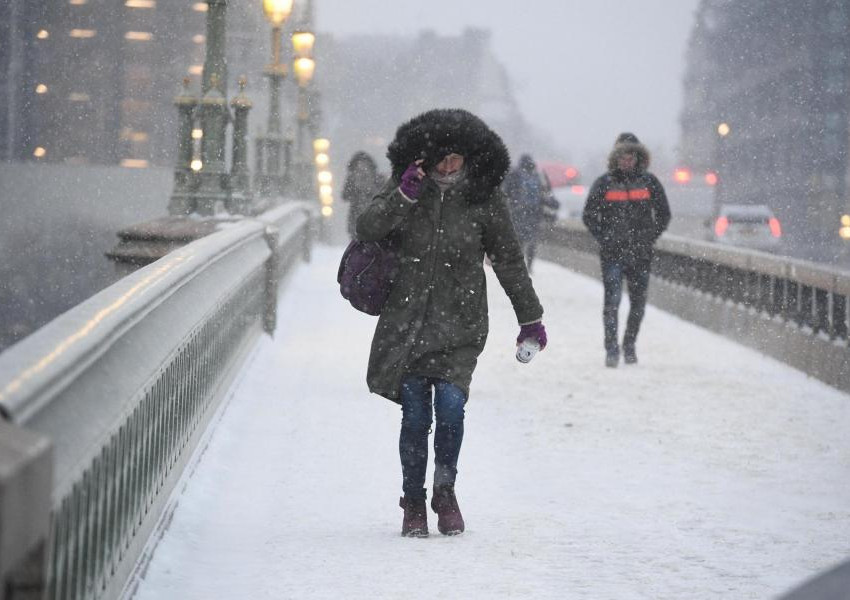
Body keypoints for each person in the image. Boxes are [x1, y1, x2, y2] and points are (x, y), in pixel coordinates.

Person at [356, 109, 548, 538]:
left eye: (455, 158)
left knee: (449, 411)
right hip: (407, 322)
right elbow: (366, 228)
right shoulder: (406, 187)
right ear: (425, 157)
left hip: (460, 325)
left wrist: (530, 318)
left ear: (469, 158)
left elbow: (509, 261)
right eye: (440, 158)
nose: (447, 166)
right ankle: (413, 502)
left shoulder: (484, 197)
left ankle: (445, 491)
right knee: (414, 417)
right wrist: (403, 196)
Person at [582, 132, 670, 368]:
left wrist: (649, 237)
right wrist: (604, 237)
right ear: (615, 157)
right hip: (612, 254)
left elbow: (664, 214)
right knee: (612, 302)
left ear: (638, 157)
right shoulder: (604, 183)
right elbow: (589, 215)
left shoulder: (650, 183)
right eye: (622, 156)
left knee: (638, 303)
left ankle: (629, 345)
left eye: (630, 156)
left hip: (641, 254)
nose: (626, 161)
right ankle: (612, 349)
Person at [503, 154, 560, 272]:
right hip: (535, 214)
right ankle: (529, 266)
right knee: (532, 241)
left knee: (519, 240)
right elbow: (547, 197)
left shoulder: (514, 175)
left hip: (518, 213)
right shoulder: (538, 177)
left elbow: (505, 193)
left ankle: (517, 264)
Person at [343, 151, 384, 238]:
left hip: (375, 223)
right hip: (357, 222)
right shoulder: (352, 183)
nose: (362, 172)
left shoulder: (378, 181)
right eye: (358, 169)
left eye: (364, 167)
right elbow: (345, 195)